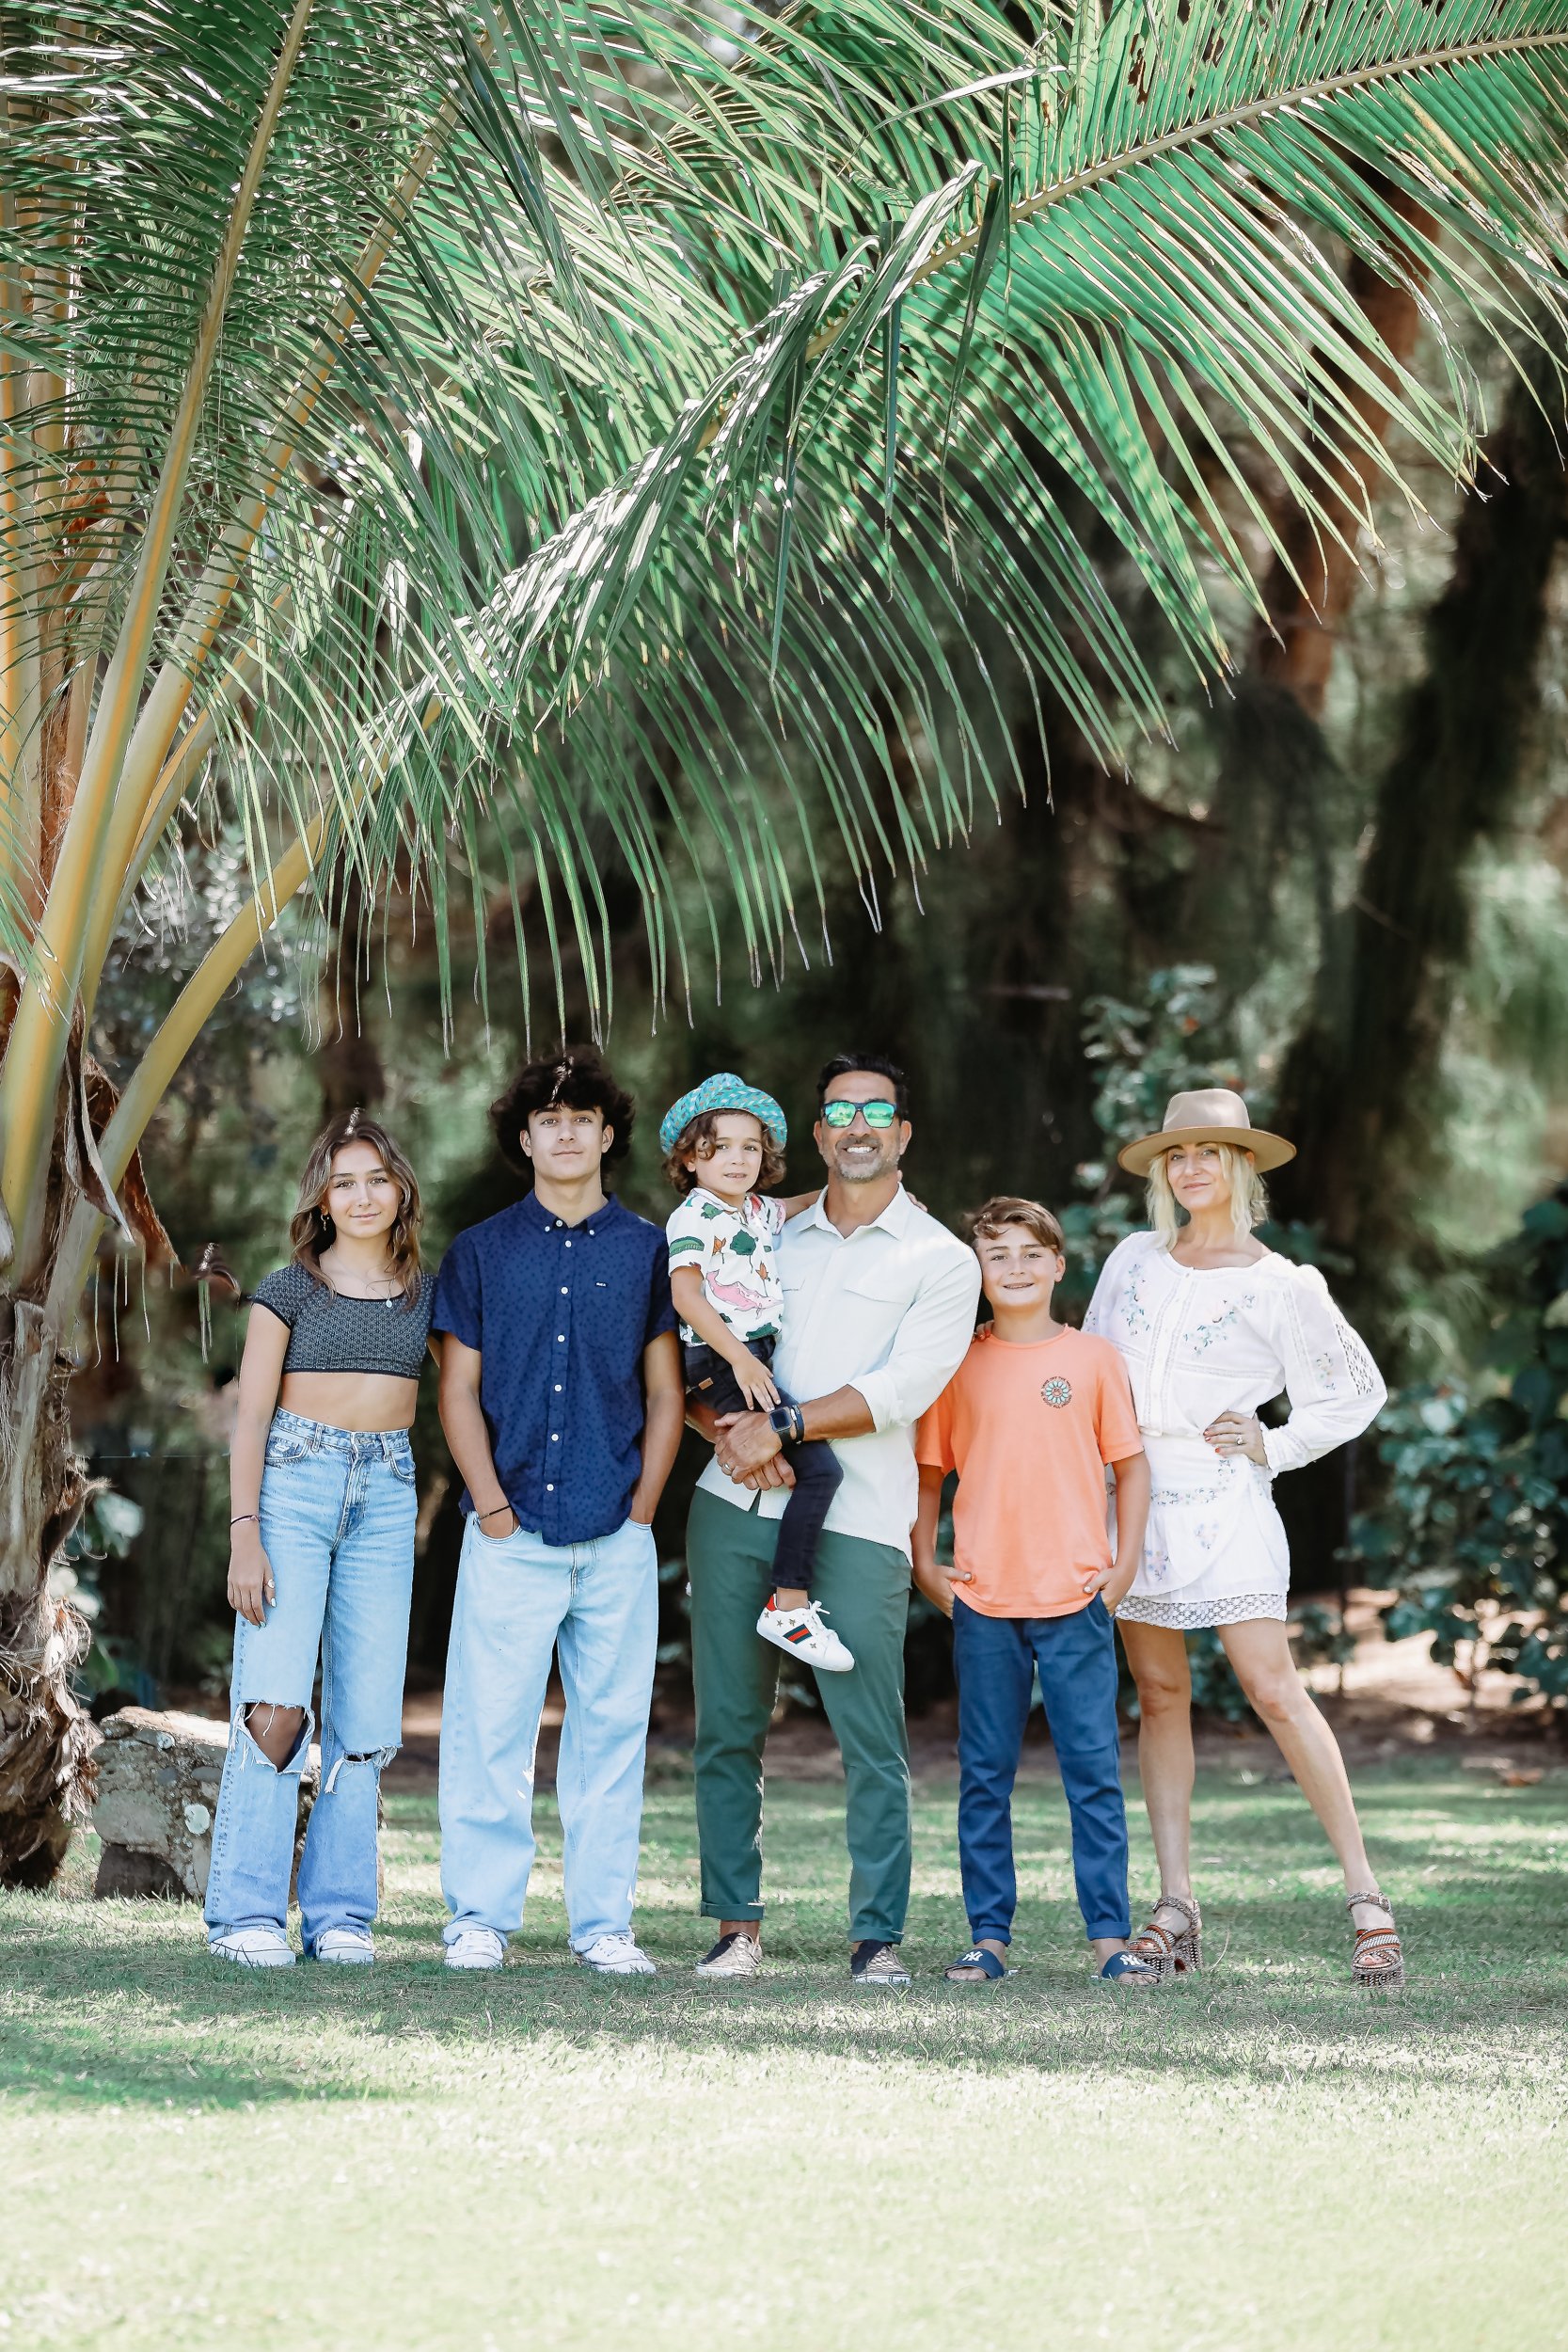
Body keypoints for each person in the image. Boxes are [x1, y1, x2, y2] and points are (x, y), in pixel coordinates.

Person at [1084, 1089, 1402, 1991]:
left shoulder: (1282, 1284)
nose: (1188, 1168)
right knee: (1156, 1690)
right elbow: (1098, 1365)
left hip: (1223, 1497)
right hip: (1131, 1494)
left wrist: (1275, 1441)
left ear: (1241, 1167)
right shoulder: (1132, 1261)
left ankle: (1367, 1898)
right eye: (1175, 1154)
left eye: (1208, 1153)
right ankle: (1176, 1907)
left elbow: (1355, 1391)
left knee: (1272, 1688)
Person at [685, 1053, 981, 1984]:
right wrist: (724, 1430)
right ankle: (735, 1929)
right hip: (732, 1500)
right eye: (837, 1112)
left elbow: (904, 1388)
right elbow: (694, 1334)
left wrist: (783, 1425)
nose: (856, 1126)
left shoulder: (941, 1258)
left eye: (876, 1111)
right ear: (814, 1134)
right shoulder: (760, 1227)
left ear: (900, 1133)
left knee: (870, 1736)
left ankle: (876, 1938)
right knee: (727, 1727)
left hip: (856, 1515)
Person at [432, 1045, 684, 1975]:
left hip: (616, 1528)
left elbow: (664, 1393)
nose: (567, 1131)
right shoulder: (481, 1251)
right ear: (524, 1136)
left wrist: (644, 1511)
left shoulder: (648, 1248)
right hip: (509, 1527)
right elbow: (456, 1389)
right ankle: (479, 1918)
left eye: (583, 1117)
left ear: (607, 1133)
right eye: (549, 1118)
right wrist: (490, 1508)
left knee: (612, 1735)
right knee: (488, 1728)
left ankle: (602, 1926)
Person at [205, 1111, 433, 1967]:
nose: (363, 1194)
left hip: (385, 1494)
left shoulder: (426, 1293)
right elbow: (251, 1419)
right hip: (292, 1489)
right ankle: (246, 1918)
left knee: (366, 1711)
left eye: (377, 1178)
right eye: (345, 1181)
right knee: (274, 1704)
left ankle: (340, 1917)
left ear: (400, 1189)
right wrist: (244, 1536)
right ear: (323, 1197)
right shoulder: (287, 1289)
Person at [913, 1197, 1159, 1987]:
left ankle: (1109, 1940)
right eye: (996, 1256)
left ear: (1057, 1264)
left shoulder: (1091, 1361)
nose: (1014, 1268)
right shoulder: (958, 1360)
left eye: (1029, 1253)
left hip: (1077, 1597)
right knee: (985, 1772)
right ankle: (988, 1937)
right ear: (977, 1272)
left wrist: (1121, 1567)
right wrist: (926, 1557)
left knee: (1093, 1773)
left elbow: (1130, 1468)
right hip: (984, 1598)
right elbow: (928, 1473)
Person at [660, 1072, 849, 1672]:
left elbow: (804, 1203)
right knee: (818, 1470)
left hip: (749, 1357)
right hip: (722, 1357)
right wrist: (740, 1359)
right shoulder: (694, 1216)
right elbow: (687, 1298)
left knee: (779, 1464)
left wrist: (888, 1198)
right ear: (691, 1158)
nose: (737, 1159)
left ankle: (720, 1576)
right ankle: (789, 1604)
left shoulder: (756, 1212)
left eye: (751, 1147)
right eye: (718, 1148)